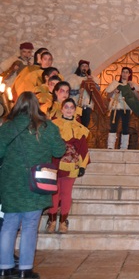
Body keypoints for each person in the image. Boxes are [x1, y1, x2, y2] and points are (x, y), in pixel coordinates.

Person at [0, 92, 65, 279]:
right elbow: (59, 150)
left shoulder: (7, 127)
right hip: (36, 182)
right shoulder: (47, 127)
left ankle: (4, 267)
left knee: (9, 224)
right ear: (37, 106)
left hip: (10, 182)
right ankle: (25, 270)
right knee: (30, 225)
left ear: (17, 106)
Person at [45, 98, 90, 234]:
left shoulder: (80, 128)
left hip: (71, 165)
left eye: (71, 107)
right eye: (66, 107)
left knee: (66, 194)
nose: (69, 109)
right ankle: (52, 221)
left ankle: (63, 222)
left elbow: (83, 149)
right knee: (54, 193)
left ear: (75, 110)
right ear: (62, 109)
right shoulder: (52, 125)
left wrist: (82, 166)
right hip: (54, 164)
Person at [106, 67, 139, 150]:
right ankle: (110, 146)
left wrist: (132, 89)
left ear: (129, 74)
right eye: (123, 72)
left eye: (126, 72)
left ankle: (124, 147)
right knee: (113, 126)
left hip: (126, 107)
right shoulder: (115, 83)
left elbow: (137, 97)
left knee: (125, 127)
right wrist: (114, 91)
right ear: (121, 73)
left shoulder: (132, 85)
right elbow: (108, 95)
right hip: (116, 107)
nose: (124, 74)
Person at [67, 60, 101, 128]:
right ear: (79, 67)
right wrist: (77, 91)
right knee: (74, 125)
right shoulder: (73, 78)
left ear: (88, 68)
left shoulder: (93, 78)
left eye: (86, 66)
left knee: (84, 126)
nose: (84, 68)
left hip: (87, 106)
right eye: (82, 66)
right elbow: (67, 91)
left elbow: (97, 90)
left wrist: (92, 82)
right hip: (75, 105)